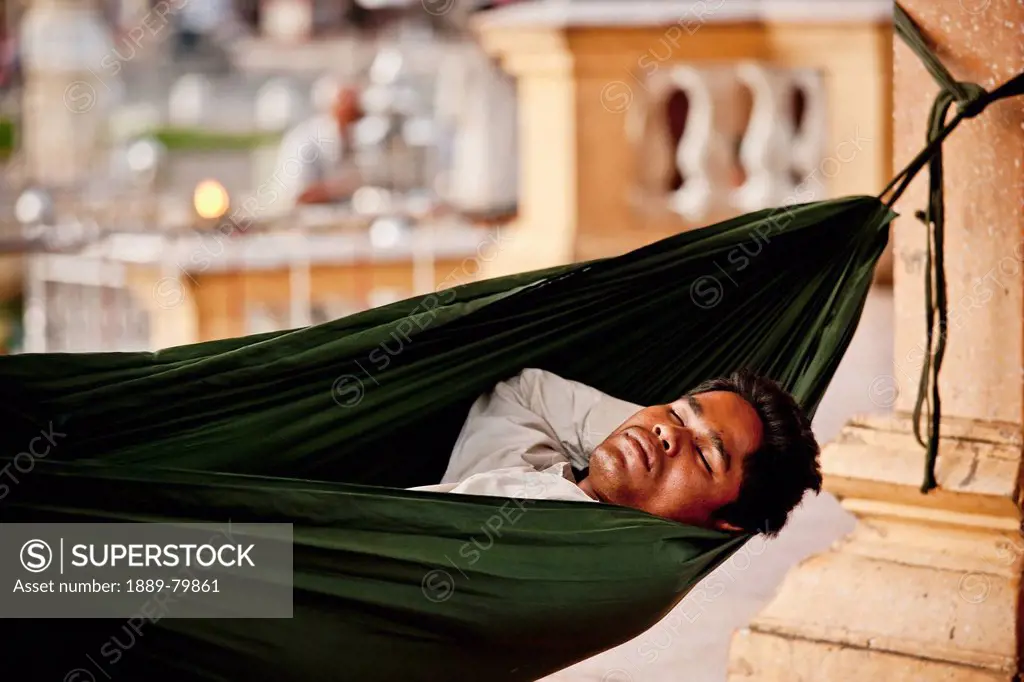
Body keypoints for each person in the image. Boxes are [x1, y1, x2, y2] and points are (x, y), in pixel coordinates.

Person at [414, 368, 821, 536]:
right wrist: (652, 439)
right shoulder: (523, 480)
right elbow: (523, 393)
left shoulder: (583, 563)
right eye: (678, 412)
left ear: (727, 522)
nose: (667, 431)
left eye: (704, 455)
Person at [275, 81, 364, 208]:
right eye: (349, 101)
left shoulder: (350, 137)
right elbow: (298, 195)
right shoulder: (305, 141)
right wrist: (347, 187)